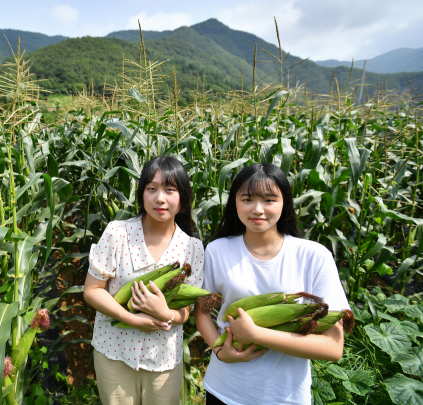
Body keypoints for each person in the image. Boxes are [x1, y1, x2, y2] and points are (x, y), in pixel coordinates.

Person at [195, 163, 350, 405]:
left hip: (284, 396)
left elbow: (333, 348)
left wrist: (256, 334)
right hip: (225, 390)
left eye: (269, 200)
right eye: (247, 199)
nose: (257, 209)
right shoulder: (217, 250)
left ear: (285, 203)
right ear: (234, 202)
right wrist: (220, 352)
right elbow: (202, 313)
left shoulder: (314, 256)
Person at [83, 156, 204, 405]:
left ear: (182, 198)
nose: (160, 198)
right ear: (141, 194)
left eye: (170, 190)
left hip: (163, 359)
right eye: (152, 189)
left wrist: (166, 314)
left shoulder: (192, 248)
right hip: (114, 351)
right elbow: (92, 290)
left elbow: (185, 312)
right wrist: (131, 319)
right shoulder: (118, 233)